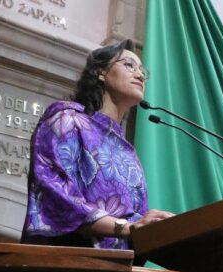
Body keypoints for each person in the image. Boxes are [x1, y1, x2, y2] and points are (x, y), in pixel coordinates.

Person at [21, 39, 173, 250]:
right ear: (100, 72)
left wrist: (157, 226)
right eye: (129, 65)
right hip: (69, 264)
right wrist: (126, 228)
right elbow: (55, 198)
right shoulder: (67, 120)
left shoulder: (128, 151)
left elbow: (136, 219)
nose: (139, 74)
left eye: (142, 71)